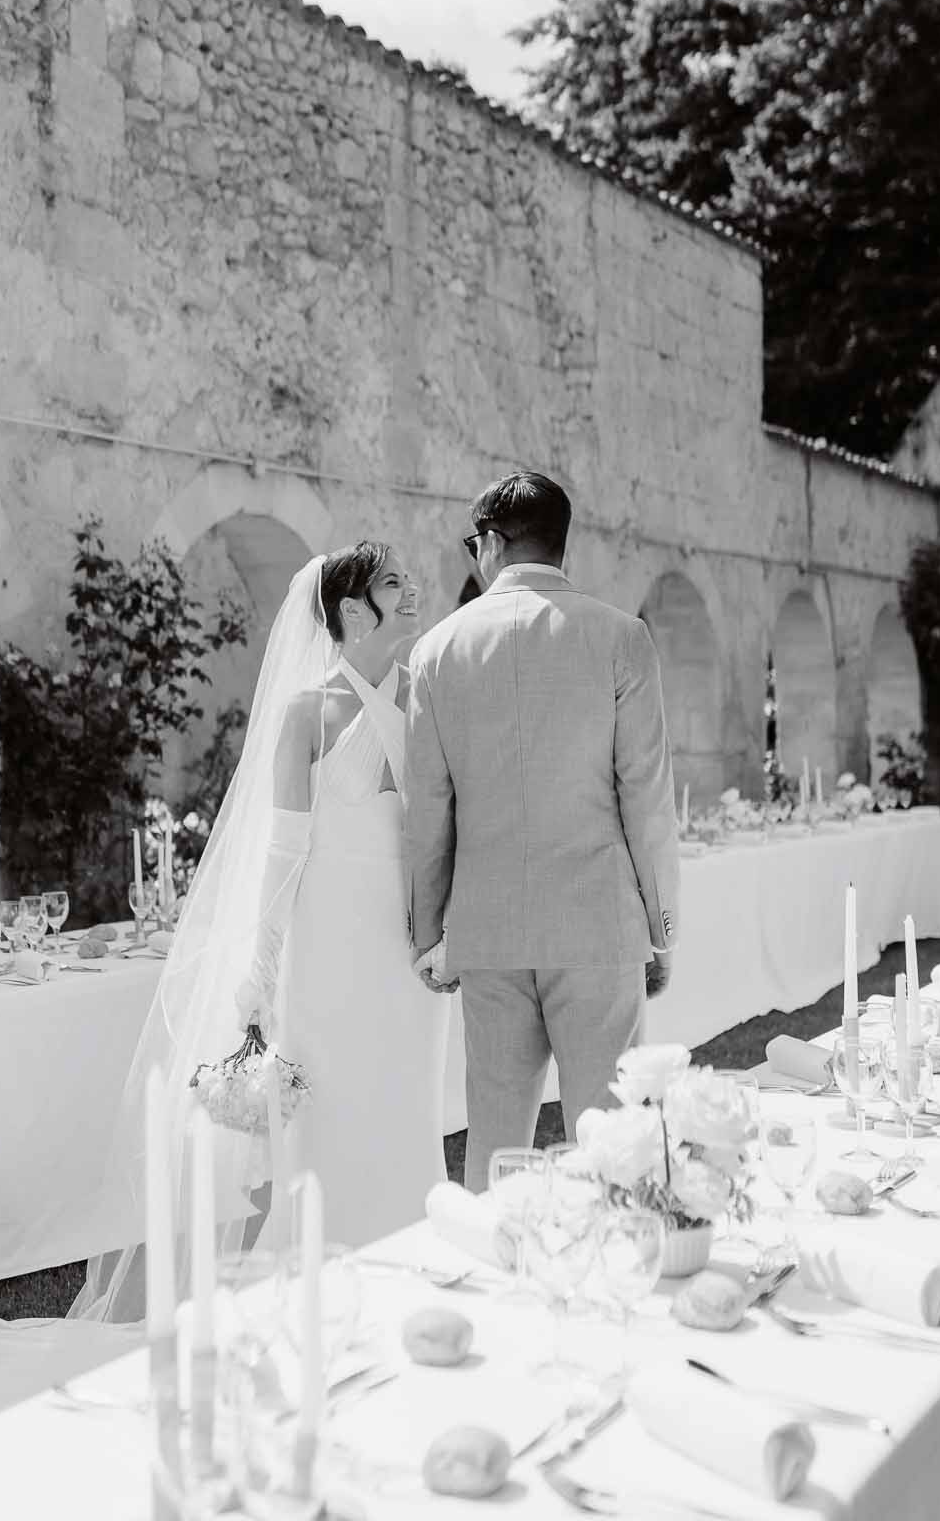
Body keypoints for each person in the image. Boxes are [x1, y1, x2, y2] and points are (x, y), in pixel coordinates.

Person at [72, 542, 448, 1321]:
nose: (412, 590)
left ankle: (412, 1262)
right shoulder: (308, 712)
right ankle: (322, 1278)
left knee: (409, 1105)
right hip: (328, 952)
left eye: (408, 579)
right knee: (335, 1114)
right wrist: (262, 967)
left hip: (408, 952)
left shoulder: (428, 699)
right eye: (392, 583)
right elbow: (281, 852)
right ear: (350, 611)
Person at [404, 470, 678, 1193]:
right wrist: (660, 927)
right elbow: (646, 798)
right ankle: (620, 1279)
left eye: (474, 544)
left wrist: (429, 933)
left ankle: (492, 1286)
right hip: (596, 923)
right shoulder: (622, 638)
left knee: (494, 1155)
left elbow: (429, 810)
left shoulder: (435, 651)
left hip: (487, 931)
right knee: (615, 1147)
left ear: (492, 543)